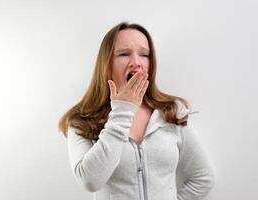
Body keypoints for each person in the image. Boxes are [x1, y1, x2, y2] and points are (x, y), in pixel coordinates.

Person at [58, 22, 215, 200]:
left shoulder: (172, 111)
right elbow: (90, 181)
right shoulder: (81, 120)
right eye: (124, 54)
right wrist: (123, 111)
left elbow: (203, 178)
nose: (136, 62)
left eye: (144, 54)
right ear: (107, 64)